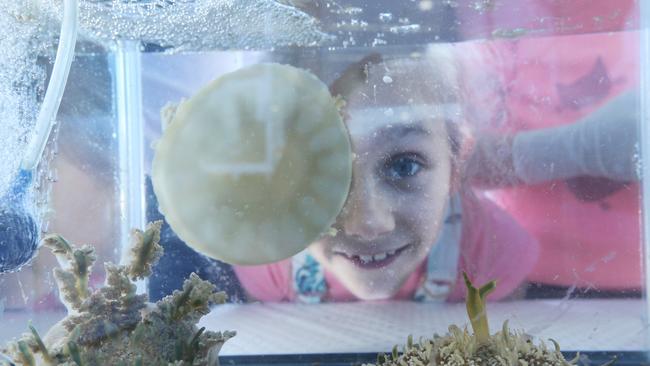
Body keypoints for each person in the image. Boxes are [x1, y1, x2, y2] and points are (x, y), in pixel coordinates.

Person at [221, 46, 539, 303]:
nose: (367, 224)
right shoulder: (268, 257)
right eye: (315, 172)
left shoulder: (489, 253)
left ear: (455, 167)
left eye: (404, 165)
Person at [460, 28, 641, 296]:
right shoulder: (489, 33)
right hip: (517, 274)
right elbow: (448, 159)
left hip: (639, 282)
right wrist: (569, 147)